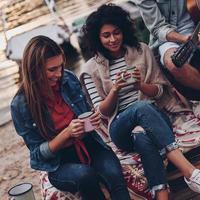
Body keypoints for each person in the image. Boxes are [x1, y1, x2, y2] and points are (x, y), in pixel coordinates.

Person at [81, 4, 200, 200]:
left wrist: (141, 86)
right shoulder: (90, 68)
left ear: (123, 30)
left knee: (142, 134)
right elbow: (102, 112)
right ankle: (190, 172)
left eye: (116, 33)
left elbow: (162, 91)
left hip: (154, 118)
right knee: (140, 110)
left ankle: (162, 196)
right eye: (106, 35)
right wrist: (115, 90)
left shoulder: (142, 51)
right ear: (98, 38)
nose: (112, 39)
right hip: (119, 127)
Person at [10, 35, 131, 200]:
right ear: (35, 70)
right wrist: (67, 133)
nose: (59, 74)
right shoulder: (20, 105)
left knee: (114, 175)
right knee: (85, 176)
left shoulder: (68, 79)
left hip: (90, 146)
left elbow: (86, 112)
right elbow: (37, 155)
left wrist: (93, 119)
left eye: (60, 66)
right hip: (60, 162)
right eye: (51, 70)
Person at [134, 0, 200, 100]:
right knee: (173, 63)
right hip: (168, 37)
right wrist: (185, 39)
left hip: (195, 23)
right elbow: (158, 28)